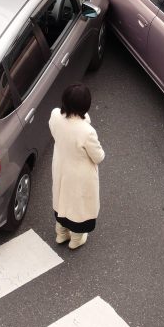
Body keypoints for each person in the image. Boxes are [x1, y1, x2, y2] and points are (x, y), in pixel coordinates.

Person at [48, 83, 105, 249]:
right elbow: (98, 156)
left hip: (60, 166)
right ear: (85, 107)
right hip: (80, 175)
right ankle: (76, 239)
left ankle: (61, 233)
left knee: (61, 199)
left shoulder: (55, 116)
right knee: (78, 206)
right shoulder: (87, 131)